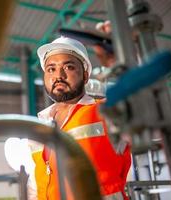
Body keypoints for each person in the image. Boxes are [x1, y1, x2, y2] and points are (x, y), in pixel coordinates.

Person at [28, 36, 131, 200]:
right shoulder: (40, 124)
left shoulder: (107, 111)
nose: (58, 76)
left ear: (85, 75)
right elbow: (35, 182)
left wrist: (126, 66)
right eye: (51, 69)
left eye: (68, 67)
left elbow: (153, 109)